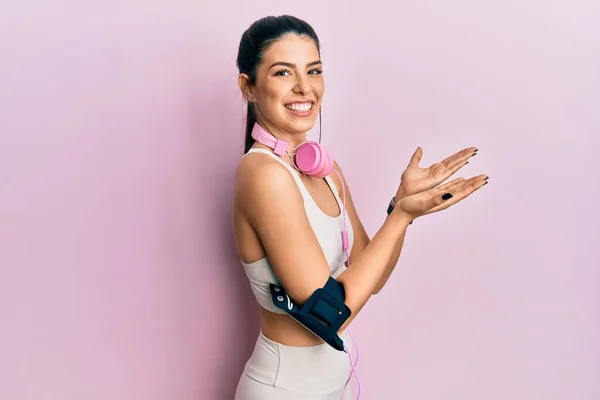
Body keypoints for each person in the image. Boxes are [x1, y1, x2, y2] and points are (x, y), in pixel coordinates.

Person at [231, 15, 488, 400]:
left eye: (313, 70)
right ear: (249, 87)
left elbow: (374, 277)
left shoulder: (326, 169)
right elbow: (330, 313)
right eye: (283, 73)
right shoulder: (262, 174)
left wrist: (398, 207)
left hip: (339, 384)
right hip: (285, 389)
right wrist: (403, 217)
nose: (304, 87)